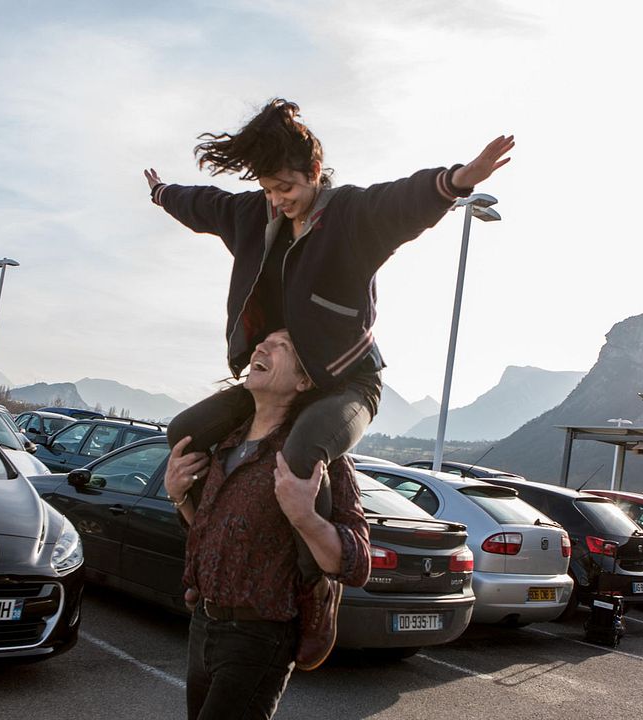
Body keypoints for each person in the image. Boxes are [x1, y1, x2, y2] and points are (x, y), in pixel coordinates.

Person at [145, 97, 512, 661]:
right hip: (279, 374)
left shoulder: (349, 220)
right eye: (269, 189)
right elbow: (206, 204)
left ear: (315, 172)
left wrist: (456, 181)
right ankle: (208, 550)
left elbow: (400, 203)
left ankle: (316, 588)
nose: (278, 200)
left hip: (347, 386)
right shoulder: (252, 216)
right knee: (185, 432)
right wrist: (163, 193)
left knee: (301, 454)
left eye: (287, 188)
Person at [164, 328, 370, 720]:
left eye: (283, 347)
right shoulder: (226, 443)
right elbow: (208, 534)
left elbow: (358, 564)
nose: (262, 347)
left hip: (259, 638)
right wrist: (178, 494)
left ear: (303, 380)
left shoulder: (318, 462)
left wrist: (304, 515)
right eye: (265, 341)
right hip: (204, 625)